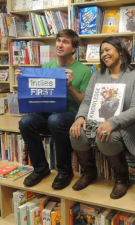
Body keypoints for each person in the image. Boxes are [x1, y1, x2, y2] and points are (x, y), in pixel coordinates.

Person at [69, 36, 135, 199]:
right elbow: (87, 101)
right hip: (96, 121)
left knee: (105, 135)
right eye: (101, 51)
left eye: (107, 49)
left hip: (126, 125)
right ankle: (89, 172)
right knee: (76, 133)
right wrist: (80, 117)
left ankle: (122, 179)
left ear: (119, 51)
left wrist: (112, 123)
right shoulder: (97, 75)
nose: (104, 54)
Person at [18, 29, 92, 190]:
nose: (59, 44)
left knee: (56, 120)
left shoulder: (84, 70)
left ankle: (65, 171)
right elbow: (38, 96)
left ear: (73, 48)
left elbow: (84, 103)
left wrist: (70, 87)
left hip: (70, 115)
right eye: (58, 41)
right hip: (48, 114)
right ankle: (41, 168)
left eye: (65, 42)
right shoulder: (47, 66)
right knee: (25, 122)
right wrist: (24, 80)